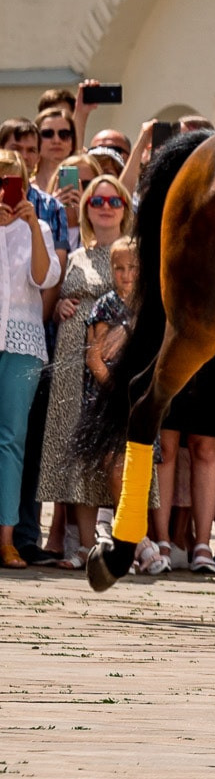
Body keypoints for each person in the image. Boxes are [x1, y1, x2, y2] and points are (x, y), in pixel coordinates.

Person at [38, 176, 132, 562]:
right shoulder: (74, 254)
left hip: (115, 363)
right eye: (97, 199)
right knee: (75, 445)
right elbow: (55, 294)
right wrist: (60, 305)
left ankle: (129, 538)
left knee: (116, 452)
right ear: (86, 208)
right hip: (71, 363)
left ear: (126, 206)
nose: (105, 206)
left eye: (114, 199)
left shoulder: (136, 252)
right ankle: (82, 542)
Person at [0, 152, 59, 570]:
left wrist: (32, 226)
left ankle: (6, 538)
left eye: (13, 181)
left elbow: (43, 278)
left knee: (12, 442)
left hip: (22, 341)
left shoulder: (37, 226)